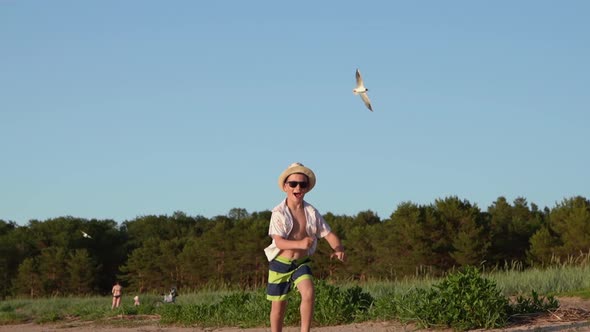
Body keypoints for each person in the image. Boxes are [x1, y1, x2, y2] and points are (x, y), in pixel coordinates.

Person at [264, 162, 346, 332]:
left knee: (309, 293)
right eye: (293, 183)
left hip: (301, 262)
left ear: (307, 188)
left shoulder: (311, 212)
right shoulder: (278, 212)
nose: (298, 187)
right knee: (278, 308)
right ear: (286, 187)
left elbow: (328, 234)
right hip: (280, 263)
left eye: (303, 184)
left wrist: (338, 249)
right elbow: (279, 242)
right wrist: (300, 243)